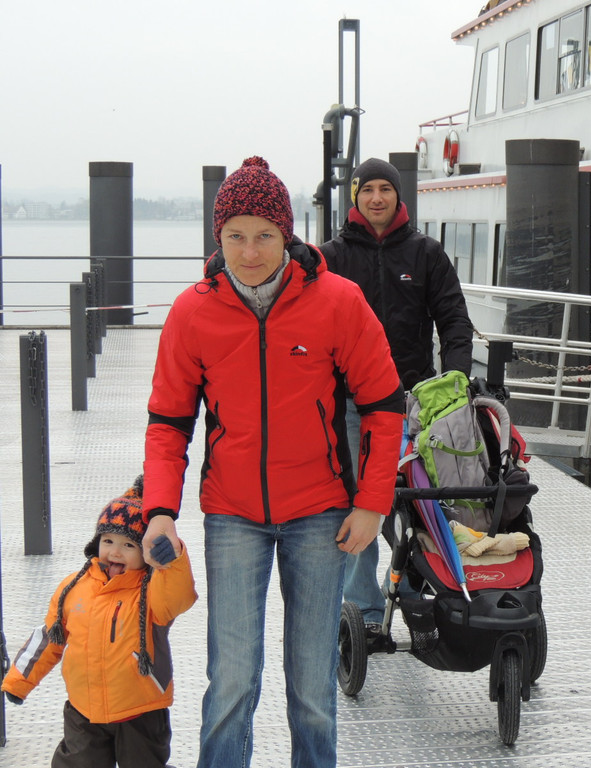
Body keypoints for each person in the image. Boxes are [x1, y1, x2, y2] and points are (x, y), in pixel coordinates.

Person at [140, 156, 405, 768]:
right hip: (232, 513)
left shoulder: (338, 301)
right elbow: (168, 423)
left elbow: (384, 406)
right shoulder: (193, 312)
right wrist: (159, 511)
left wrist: (372, 504)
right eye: (235, 236)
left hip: (320, 512)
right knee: (231, 681)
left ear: (287, 233)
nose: (250, 251)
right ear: (218, 237)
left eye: (264, 235)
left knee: (312, 688)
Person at [319, 157, 473, 647]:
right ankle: (364, 608)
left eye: (385, 189)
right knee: (358, 501)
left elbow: (453, 318)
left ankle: (411, 588)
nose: (377, 198)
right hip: (350, 404)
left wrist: (457, 380)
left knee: (415, 503)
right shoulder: (332, 257)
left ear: (398, 195)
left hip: (412, 404)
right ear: (355, 197)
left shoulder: (426, 253)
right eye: (368, 190)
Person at [2, 477, 197, 768]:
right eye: (108, 541)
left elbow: (179, 595)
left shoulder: (151, 592)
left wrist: (171, 562)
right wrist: (19, 681)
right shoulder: (74, 587)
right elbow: (49, 638)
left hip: (140, 710)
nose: (115, 552)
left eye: (128, 545)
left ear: (145, 553)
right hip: (84, 709)